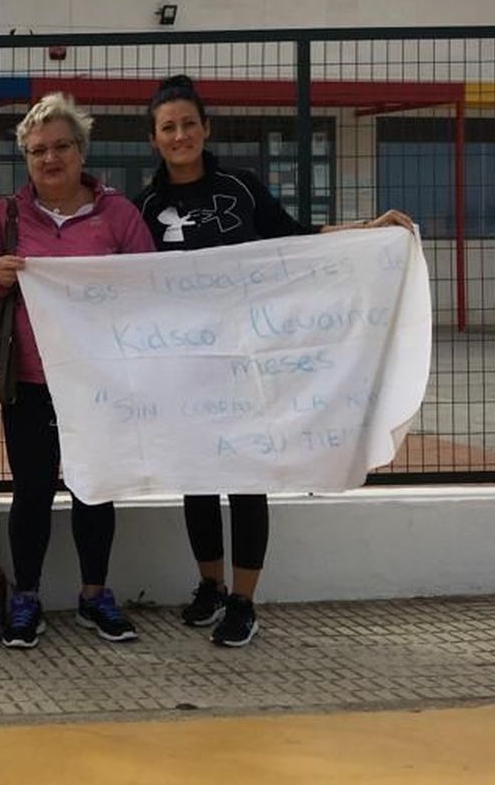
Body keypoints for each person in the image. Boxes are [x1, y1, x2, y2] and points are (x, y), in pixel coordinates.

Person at [137, 74, 415, 648]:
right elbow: (124, 278)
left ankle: (243, 600)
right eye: (169, 127)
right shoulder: (146, 205)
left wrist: (368, 232)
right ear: (155, 139)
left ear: (205, 128)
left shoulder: (240, 187)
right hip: (186, 366)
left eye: (190, 123)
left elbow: (297, 242)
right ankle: (209, 587)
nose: (181, 134)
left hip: (247, 362)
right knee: (196, 478)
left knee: (245, 479)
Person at [0, 93, 156, 651]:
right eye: (37, 151)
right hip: (30, 379)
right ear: (26, 159)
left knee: (94, 488)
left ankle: (94, 595)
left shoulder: (119, 216)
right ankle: (26, 598)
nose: (49, 159)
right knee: (31, 491)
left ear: (82, 152)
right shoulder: (6, 216)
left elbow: (150, 287)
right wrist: (0, 278)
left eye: (61, 147)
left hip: (99, 381)